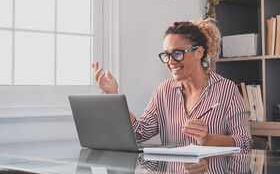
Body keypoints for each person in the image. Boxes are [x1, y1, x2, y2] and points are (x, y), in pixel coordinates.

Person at [92, 18, 252, 148]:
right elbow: (139, 133)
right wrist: (113, 95)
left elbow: (245, 142)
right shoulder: (164, 91)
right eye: (167, 55)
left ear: (199, 52)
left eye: (177, 53)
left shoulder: (226, 90)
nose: (170, 61)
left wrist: (209, 139)